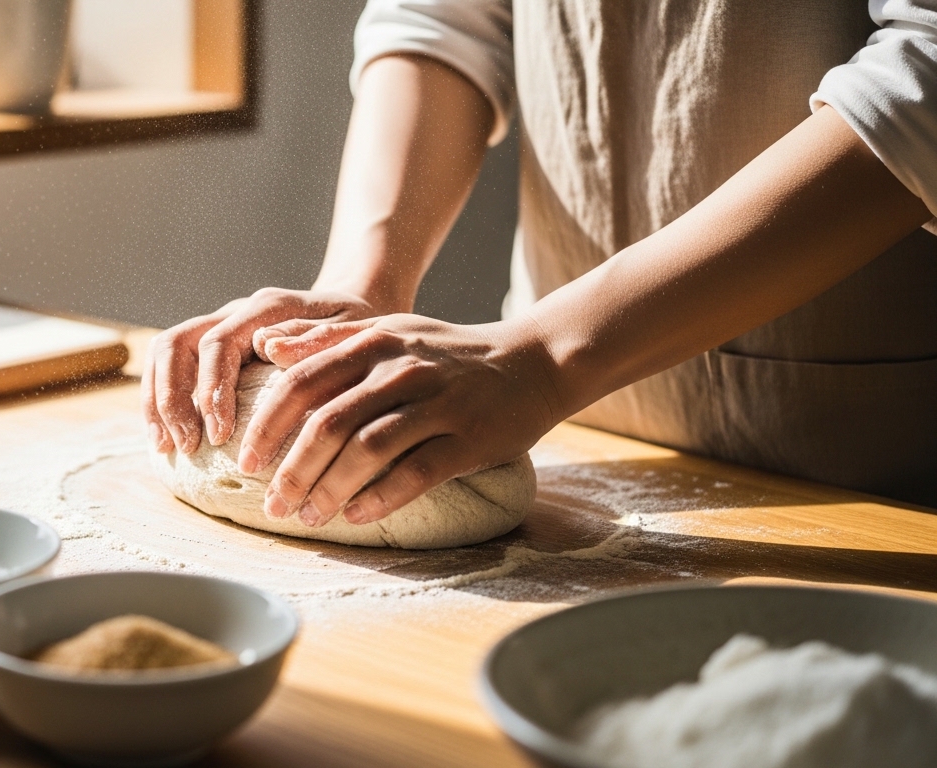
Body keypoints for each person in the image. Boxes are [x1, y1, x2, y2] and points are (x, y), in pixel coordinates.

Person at [145, 0, 937, 528]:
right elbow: (442, 15)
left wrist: (548, 352)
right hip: (568, 439)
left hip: (870, 468)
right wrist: (362, 283)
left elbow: (925, 64)